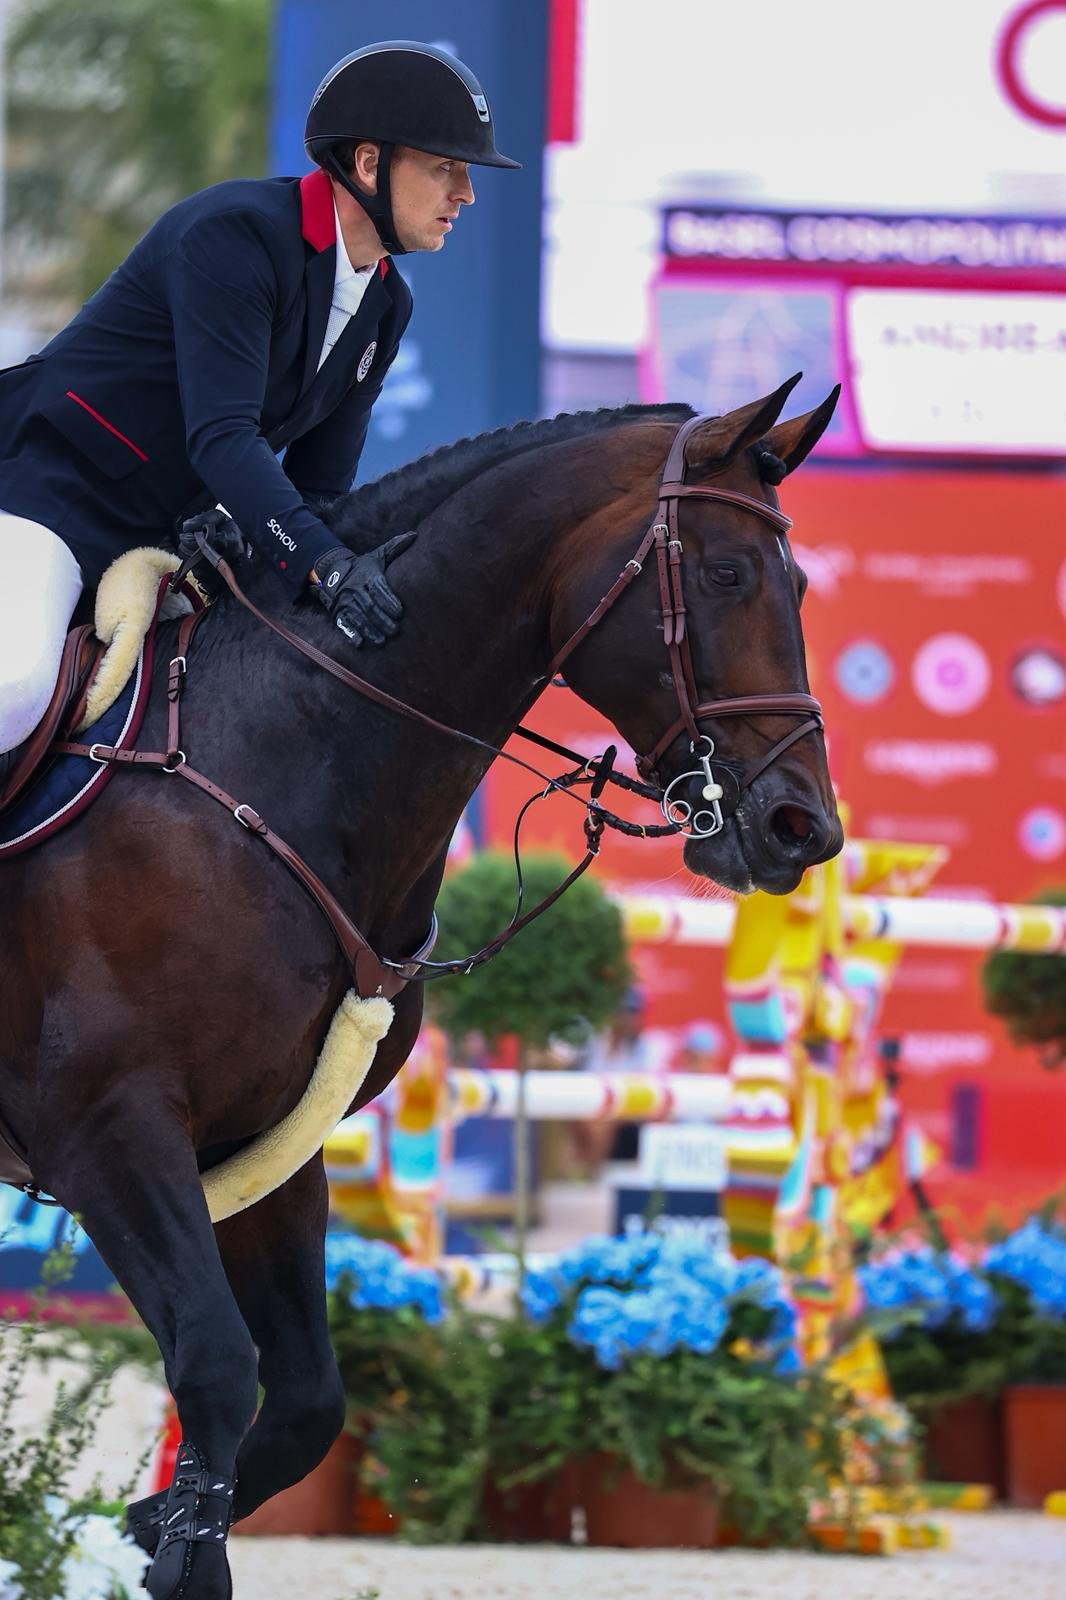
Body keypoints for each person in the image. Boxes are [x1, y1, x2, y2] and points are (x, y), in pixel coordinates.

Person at [0, 40, 520, 783]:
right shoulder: (236, 234)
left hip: (156, 546)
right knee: (13, 687)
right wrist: (323, 567)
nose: (465, 192)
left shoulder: (384, 304)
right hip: (44, 500)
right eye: (445, 167)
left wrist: (334, 562)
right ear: (368, 165)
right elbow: (222, 439)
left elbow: (320, 490)